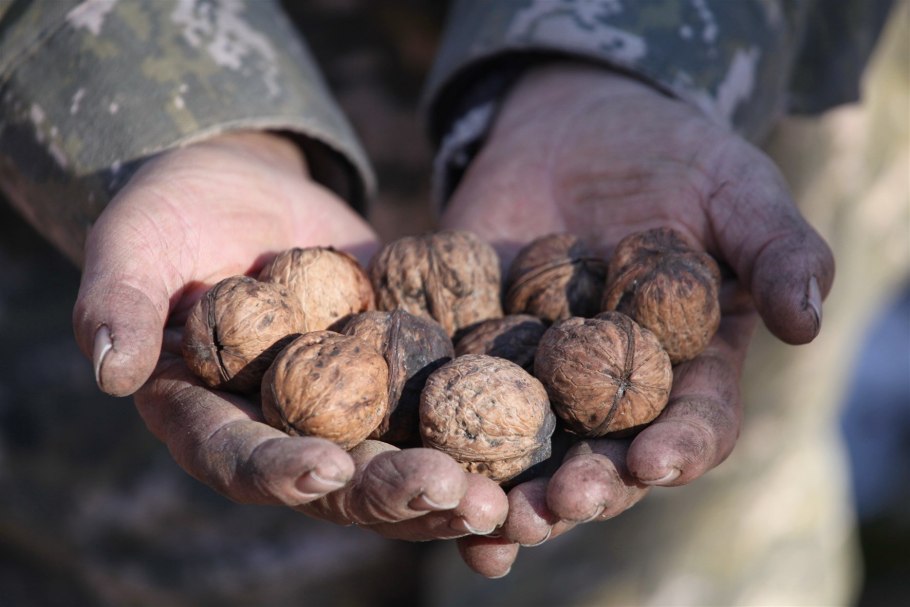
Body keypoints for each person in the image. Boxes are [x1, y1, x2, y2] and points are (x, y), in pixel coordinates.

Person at [0, 0, 900, 603]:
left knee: (678, 556)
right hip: (116, 502)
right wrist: (175, 118)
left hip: (716, 88)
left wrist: (625, 53)